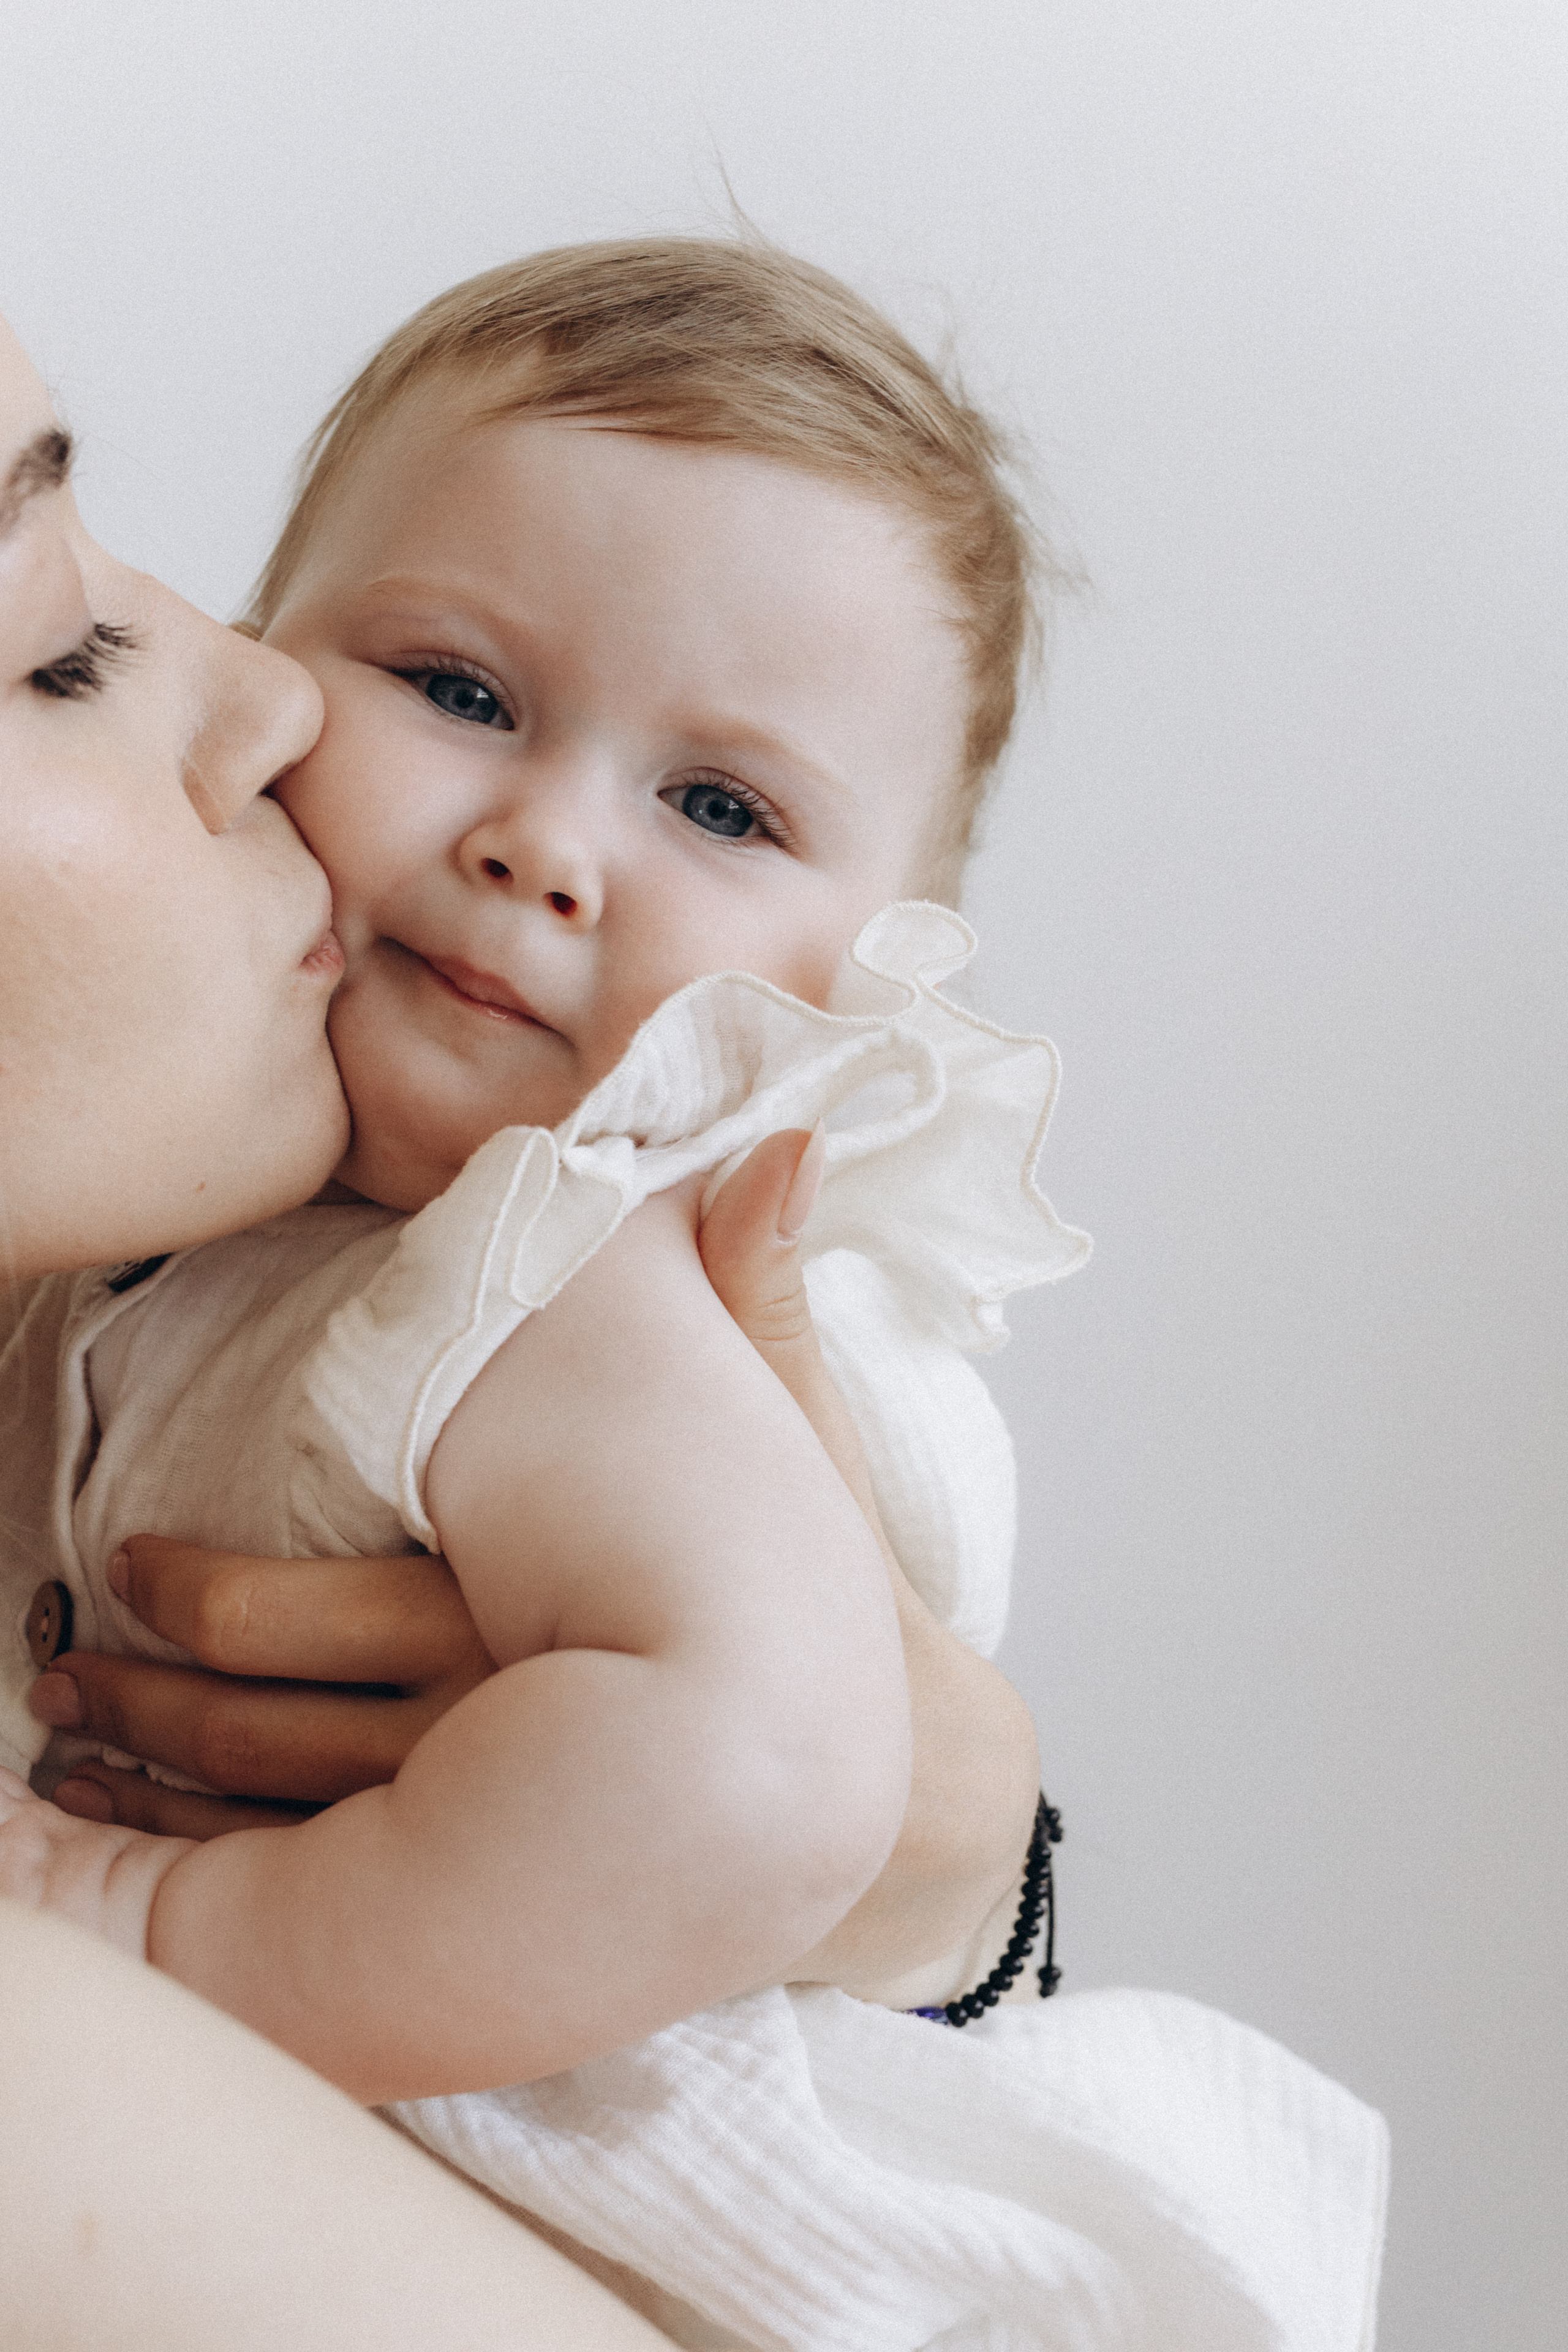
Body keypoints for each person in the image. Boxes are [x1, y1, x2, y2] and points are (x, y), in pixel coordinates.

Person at [1, 244, 1389, 2350]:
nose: (547, 846)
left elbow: (776, 1776)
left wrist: (178, 1923)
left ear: (869, 975)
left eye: (721, 808)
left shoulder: (560, 1259)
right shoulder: (185, 1232)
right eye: (456, 692)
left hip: (674, 2201)